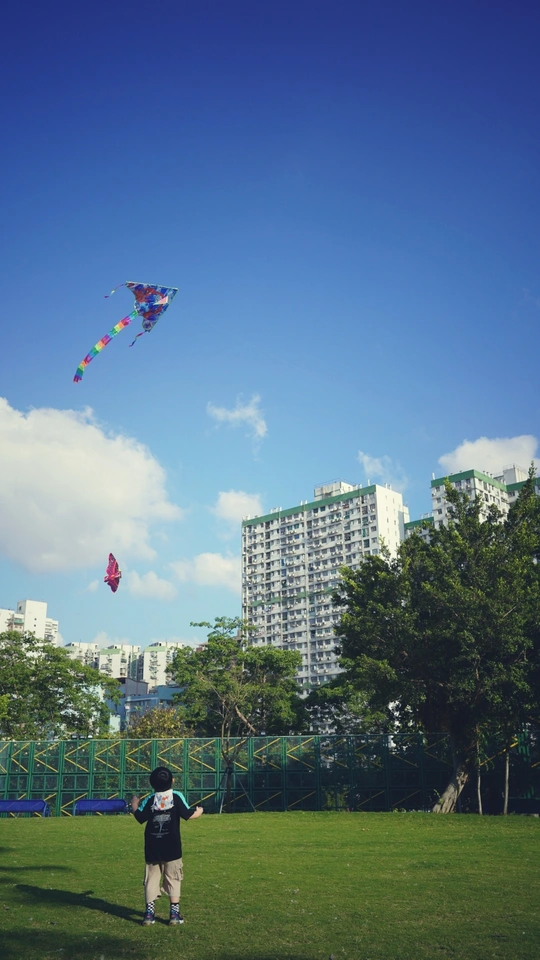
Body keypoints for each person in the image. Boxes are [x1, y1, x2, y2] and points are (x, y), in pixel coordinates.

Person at [132, 765, 203, 926]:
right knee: (173, 878)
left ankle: (149, 914)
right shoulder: (176, 796)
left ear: (152, 783)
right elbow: (188, 814)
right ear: (172, 781)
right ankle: (174, 914)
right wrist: (198, 812)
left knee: (151, 879)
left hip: (152, 845)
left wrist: (134, 804)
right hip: (172, 846)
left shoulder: (151, 799)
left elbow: (140, 817)